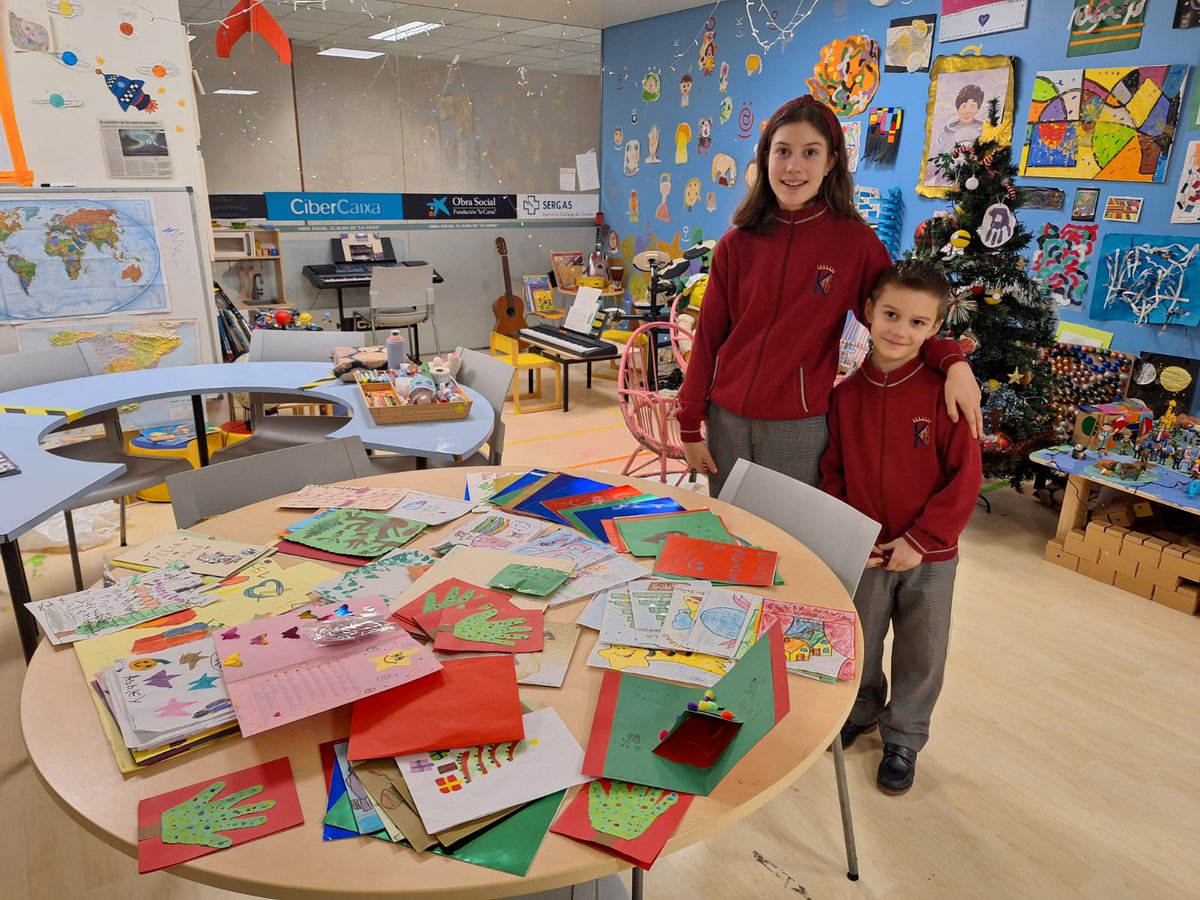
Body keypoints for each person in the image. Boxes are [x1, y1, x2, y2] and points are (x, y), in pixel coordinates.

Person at [677, 94, 981, 498]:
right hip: (726, 419)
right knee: (732, 535)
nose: (794, 166)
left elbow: (901, 316)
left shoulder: (854, 243)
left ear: (831, 162)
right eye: (782, 151)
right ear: (765, 157)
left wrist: (953, 361)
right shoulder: (737, 243)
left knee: (790, 545)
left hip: (798, 424)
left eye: (810, 152)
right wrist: (688, 423)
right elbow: (709, 338)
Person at [820, 260, 982, 794]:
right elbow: (834, 472)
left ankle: (905, 736)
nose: (900, 330)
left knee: (922, 648)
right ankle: (861, 710)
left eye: (918, 323)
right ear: (868, 312)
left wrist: (923, 540)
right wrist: (850, 534)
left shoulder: (946, 392)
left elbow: (965, 476)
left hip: (929, 558)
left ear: (936, 330)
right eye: (890, 314)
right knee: (861, 640)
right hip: (867, 552)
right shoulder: (844, 397)